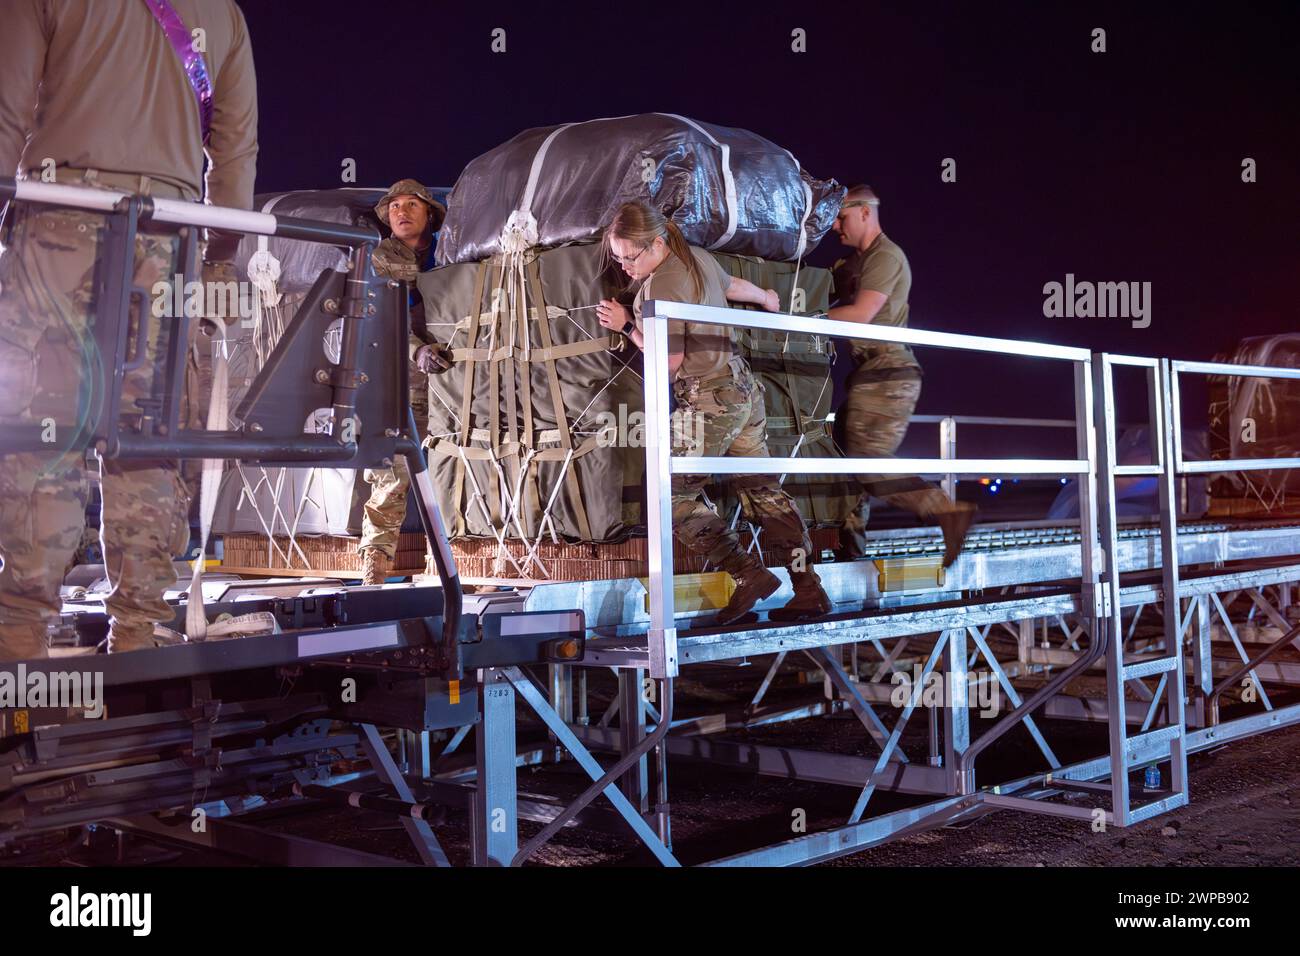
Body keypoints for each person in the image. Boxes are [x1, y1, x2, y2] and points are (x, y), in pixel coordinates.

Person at [0, 0, 258, 659]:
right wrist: (221, 254)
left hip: (59, 219)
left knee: (44, 432)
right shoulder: (222, 13)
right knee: (145, 437)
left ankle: (22, 636)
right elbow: (235, 148)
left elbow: (6, 109)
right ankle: (139, 635)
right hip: (165, 236)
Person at [597, 201, 831, 624]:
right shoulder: (697, 257)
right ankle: (808, 588)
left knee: (670, 492)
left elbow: (668, 362)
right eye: (617, 258)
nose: (625, 266)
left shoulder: (658, 288)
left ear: (656, 242)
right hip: (744, 390)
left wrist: (627, 328)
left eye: (630, 257)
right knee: (763, 490)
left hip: (707, 398)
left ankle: (749, 575)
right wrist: (767, 298)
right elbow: (731, 285)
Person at [827, 185, 975, 566]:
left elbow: (861, 315)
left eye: (841, 217)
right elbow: (810, 292)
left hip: (888, 371)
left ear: (865, 212)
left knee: (867, 461)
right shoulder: (846, 267)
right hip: (867, 373)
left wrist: (793, 320)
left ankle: (946, 510)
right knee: (841, 458)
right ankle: (850, 548)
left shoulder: (886, 257)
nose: (834, 227)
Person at [357, 179, 452, 585]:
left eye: (412, 204)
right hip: (399, 382)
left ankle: (449, 562)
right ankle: (374, 564)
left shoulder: (451, 255)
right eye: (394, 206)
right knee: (390, 476)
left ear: (429, 213)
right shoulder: (381, 260)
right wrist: (417, 350)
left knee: (454, 474)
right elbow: (380, 320)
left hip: (453, 384)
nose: (401, 212)